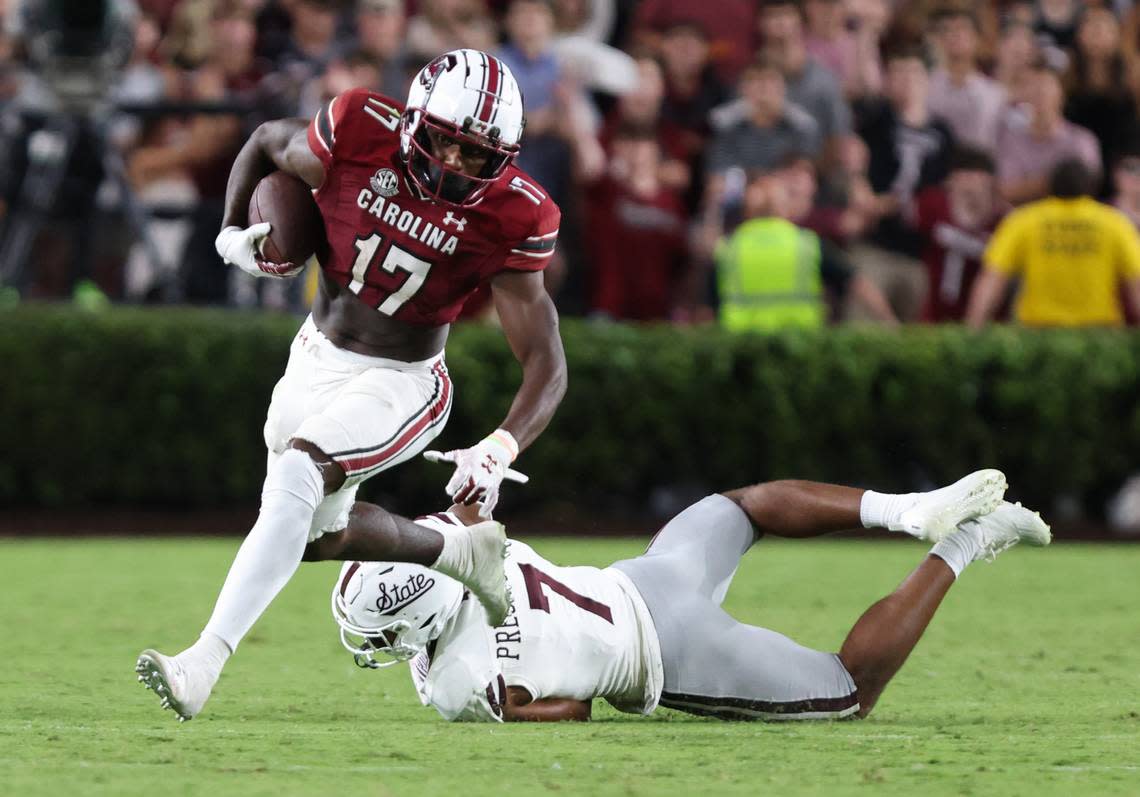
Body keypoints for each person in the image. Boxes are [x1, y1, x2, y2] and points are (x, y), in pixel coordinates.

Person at [135, 49, 568, 722]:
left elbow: (546, 359)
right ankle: (463, 549)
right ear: (415, 121)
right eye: (446, 143)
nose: (455, 164)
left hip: (403, 381)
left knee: (299, 475)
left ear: (505, 157)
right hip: (313, 354)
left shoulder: (516, 214)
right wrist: (229, 236)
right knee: (314, 535)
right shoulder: (359, 128)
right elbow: (262, 143)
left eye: (477, 156)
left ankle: (204, 659)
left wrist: (503, 446)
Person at [320, 468, 1049, 722]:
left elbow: (572, 710)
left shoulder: (455, 685)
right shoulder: (459, 536)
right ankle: (901, 507)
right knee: (744, 505)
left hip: (670, 654)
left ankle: (963, 540)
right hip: (646, 574)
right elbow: (473, 507)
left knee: (847, 689)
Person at [967, 158, 1140, 328]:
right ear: (1091, 186)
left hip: (1038, 332)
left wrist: (973, 329)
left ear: (1049, 185)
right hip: (1097, 332)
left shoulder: (1024, 220)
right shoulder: (1114, 223)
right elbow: (1136, 283)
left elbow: (992, 278)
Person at [715, 169, 895, 330]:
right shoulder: (807, 244)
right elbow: (857, 283)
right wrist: (891, 324)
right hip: (800, 347)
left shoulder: (728, 248)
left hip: (741, 348)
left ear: (748, 211)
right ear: (784, 208)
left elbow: (706, 312)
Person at [913, 147, 1003, 322]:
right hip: (934, 307)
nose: (970, 184)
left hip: (980, 312)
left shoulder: (1003, 220)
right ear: (951, 179)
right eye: (965, 176)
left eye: (977, 177)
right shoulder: (933, 203)